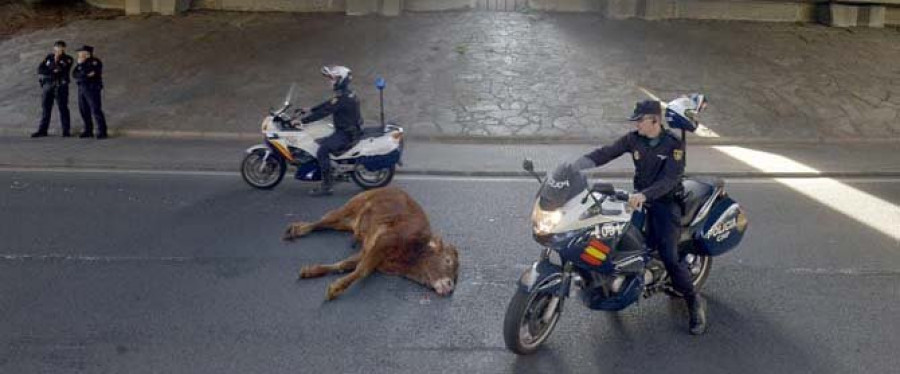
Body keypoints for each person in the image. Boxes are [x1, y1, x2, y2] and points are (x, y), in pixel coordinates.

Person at [573, 100, 708, 335]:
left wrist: (645, 195)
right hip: (637, 200)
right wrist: (576, 165)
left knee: (669, 254)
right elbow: (607, 152)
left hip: (665, 203)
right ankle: (617, 286)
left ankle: (693, 301)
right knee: (618, 240)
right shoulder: (634, 138)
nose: (636, 124)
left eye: (640, 120)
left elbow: (669, 180)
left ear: (654, 120)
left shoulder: (673, 145)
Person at [298, 66, 363, 196]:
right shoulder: (345, 94)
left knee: (322, 150)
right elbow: (329, 104)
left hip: (346, 133)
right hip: (348, 129)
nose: (330, 82)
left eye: (333, 79)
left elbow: (326, 111)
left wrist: (302, 121)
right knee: (319, 139)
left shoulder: (343, 98)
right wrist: (310, 109)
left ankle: (327, 186)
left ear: (341, 80)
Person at [32, 40, 74, 138]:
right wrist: (52, 70)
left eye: (60, 47)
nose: (58, 49)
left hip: (61, 86)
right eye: (57, 47)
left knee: (63, 108)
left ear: (64, 48)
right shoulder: (49, 57)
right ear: (54, 48)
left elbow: (60, 70)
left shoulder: (68, 59)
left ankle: (66, 131)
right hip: (47, 85)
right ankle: (42, 130)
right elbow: (40, 69)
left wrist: (52, 68)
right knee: (46, 108)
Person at [72, 45, 108, 139]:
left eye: (81, 52)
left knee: (95, 109)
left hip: (92, 88)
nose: (79, 54)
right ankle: (88, 130)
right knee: (84, 110)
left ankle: (102, 131)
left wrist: (82, 67)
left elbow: (91, 73)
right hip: (82, 88)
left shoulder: (95, 62)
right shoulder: (80, 63)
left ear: (87, 53)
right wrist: (83, 72)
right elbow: (74, 74)